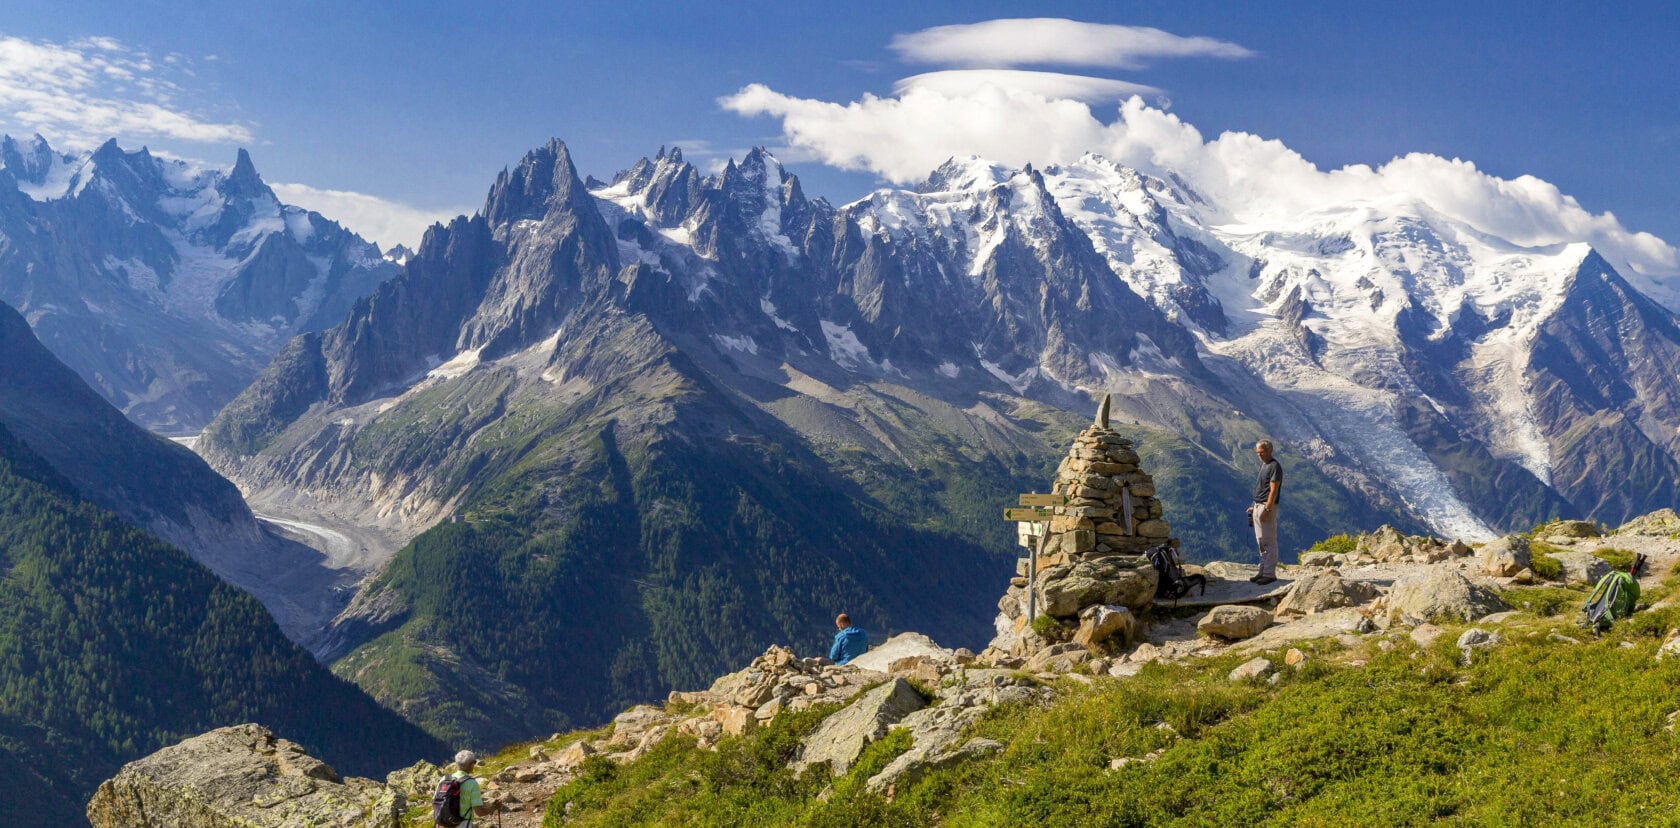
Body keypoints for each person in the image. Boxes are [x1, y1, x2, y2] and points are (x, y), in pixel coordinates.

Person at [1247, 440, 1283, 586]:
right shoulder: (1264, 465)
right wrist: (1254, 505)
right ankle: (1262, 571)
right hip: (1258, 505)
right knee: (1261, 541)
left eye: (1261, 452)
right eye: (1257, 453)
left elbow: (1273, 490)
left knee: (1268, 541)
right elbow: (1261, 488)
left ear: (1269, 451)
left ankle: (1269, 574)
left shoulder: (1275, 466)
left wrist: (1267, 509)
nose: (1259, 455)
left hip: (1266, 507)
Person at [435, 749, 499, 827]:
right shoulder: (471, 783)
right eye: (474, 762)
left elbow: (436, 801)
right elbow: (479, 812)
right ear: (471, 765)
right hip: (462, 824)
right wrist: (494, 807)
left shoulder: (445, 779)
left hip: (442, 823)